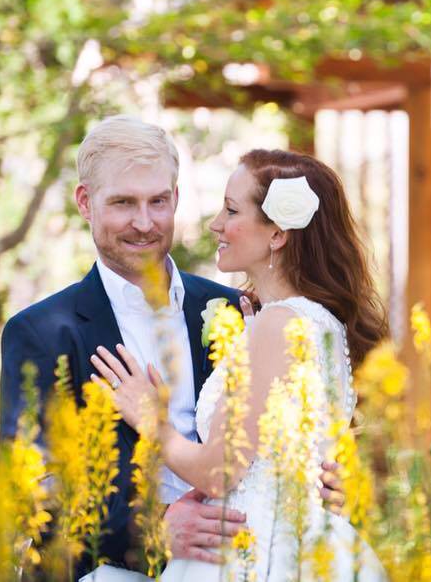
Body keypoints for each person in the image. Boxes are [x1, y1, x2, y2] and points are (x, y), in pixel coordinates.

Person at [0, 118, 342, 580]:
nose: (144, 223)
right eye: (123, 203)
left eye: (158, 201)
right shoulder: (41, 332)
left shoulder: (235, 309)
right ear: (85, 202)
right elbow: (35, 485)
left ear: (176, 198)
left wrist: (328, 480)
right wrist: (153, 528)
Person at [91, 149, 389, 581]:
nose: (216, 224)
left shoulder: (277, 325)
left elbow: (217, 473)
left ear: (277, 235)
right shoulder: (317, 322)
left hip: (250, 550)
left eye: (231, 210)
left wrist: (150, 419)